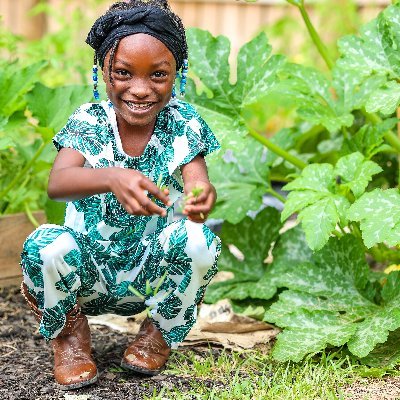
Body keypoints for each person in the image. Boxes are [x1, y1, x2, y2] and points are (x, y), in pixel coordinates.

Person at [19, 0, 221, 391]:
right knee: (44, 245)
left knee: (202, 242)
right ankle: (70, 337)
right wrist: (113, 177)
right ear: (104, 73)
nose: (141, 89)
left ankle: (158, 332)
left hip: (149, 269)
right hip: (87, 271)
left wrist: (200, 197)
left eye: (158, 75)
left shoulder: (183, 122)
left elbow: (198, 184)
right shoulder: (89, 121)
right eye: (124, 73)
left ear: (176, 73)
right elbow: (58, 183)